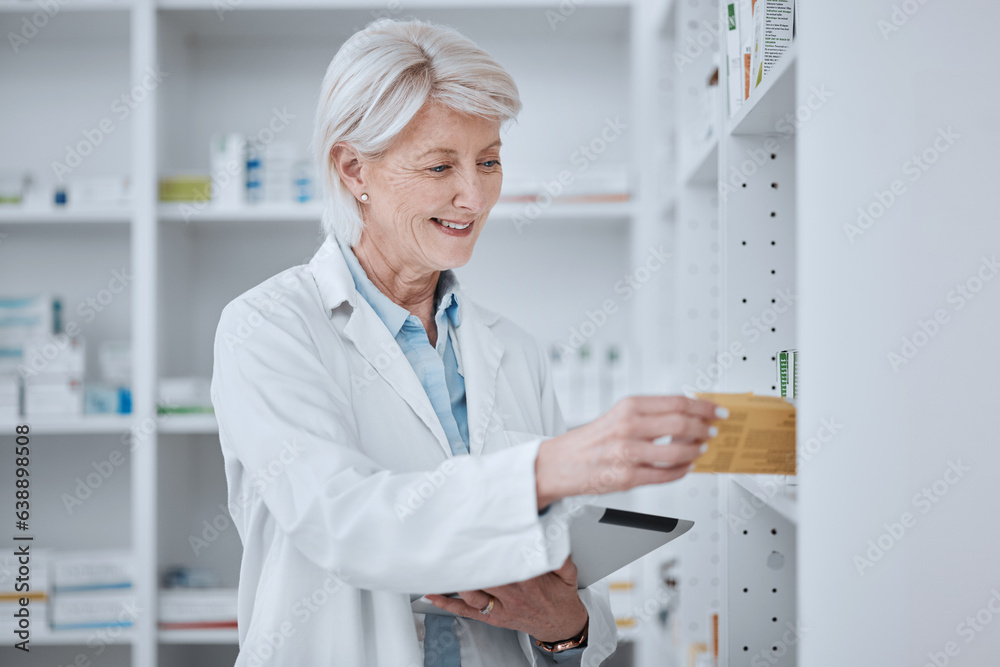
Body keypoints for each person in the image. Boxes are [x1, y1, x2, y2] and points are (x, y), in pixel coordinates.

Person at [211, 17, 724, 667]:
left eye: (489, 160)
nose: (474, 195)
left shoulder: (515, 350)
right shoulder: (269, 327)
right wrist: (550, 467)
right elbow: (340, 520)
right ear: (352, 168)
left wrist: (565, 624)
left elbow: (584, 611)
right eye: (439, 165)